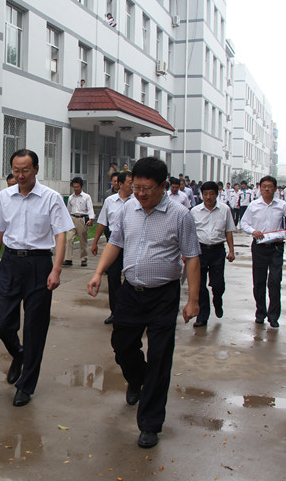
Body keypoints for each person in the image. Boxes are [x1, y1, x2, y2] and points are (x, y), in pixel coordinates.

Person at [86, 156, 200, 449]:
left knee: (160, 358)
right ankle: (137, 379)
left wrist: (193, 300)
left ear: (163, 186)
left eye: (147, 189)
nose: (140, 193)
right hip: (131, 292)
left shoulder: (180, 215)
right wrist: (98, 272)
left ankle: (150, 424)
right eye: (136, 188)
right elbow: (116, 242)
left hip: (163, 296)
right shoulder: (128, 209)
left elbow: (191, 258)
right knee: (122, 346)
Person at [0, 149, 74, 407]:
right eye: (16, 170)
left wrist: (56, 269)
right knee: (2, 324)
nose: (20, 175)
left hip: (39, 264)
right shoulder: (4, 197)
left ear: (36, 169)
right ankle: (19, 353)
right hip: (11, 262)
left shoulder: (51, 198)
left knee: (35, 328)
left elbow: (60, 235)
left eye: (25, 170)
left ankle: (26, 385)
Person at [240, 176, 286, 328]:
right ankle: (260, 313)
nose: (267, 189)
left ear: (275, 189)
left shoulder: (282, 205)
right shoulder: (254, 205)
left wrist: (283, 234)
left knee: (275, 281)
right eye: (264, 186)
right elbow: (244, 223)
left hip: (276, 248)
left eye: (270, 186)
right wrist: (253, 231)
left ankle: (274, 316)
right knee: (259, 281)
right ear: (260, 188)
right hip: (259, 247)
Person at [190, 181, 236, 327]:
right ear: (201, 195)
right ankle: (202, 316)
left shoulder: (225, 210)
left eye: (211, 194)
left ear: (217, 194)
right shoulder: (194, 211)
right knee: (200, 285)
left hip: (217, 251)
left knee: (218, 283)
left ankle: (217, 299)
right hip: (200, 251)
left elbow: (229, 231)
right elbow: (190, 234)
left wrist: (231, 251)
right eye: (205, 194)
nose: (208, 197)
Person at [91, 170, 133, 324]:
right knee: (113, 278)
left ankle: (129, 310)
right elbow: (102, 222)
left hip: (131, 245)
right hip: (114, 245)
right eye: (130, 182)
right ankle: (115, 312)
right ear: (120, 184)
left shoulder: (137, 201)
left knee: (131, 279)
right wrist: (95, 242)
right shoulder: (110, 201)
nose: (132, 185)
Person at [64, 177, 95, 267]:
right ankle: (68, 259)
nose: (76, 189)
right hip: (72, 218)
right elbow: (68, 210)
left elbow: (90, 209)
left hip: (82, 219)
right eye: (74, 187)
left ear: (81, 186)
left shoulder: (86, 197)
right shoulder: (71, 197)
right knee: (69, 239)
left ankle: (84, 258)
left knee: (83, 240)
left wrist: (90, 219)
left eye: (77, 187)